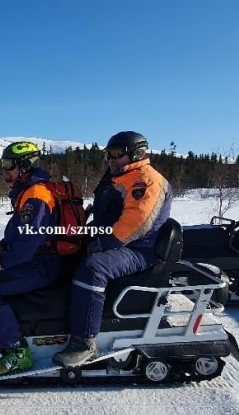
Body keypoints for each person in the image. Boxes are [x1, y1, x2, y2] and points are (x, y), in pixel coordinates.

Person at [52, 131, 173, 367]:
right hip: (115, 240)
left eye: (116, 154)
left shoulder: (145, 179)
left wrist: (101, 244)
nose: (111, 159)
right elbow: (104, 212)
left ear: (136, 154)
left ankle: (85, 343)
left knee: (93, 268)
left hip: (140, 249)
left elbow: (136, 223)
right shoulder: (120, 176)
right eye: (108, 154)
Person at [0, 141, 63, 377]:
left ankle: (16, 352)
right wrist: (0, 248)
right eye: (2, 165)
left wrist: (2, 263)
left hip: (43, 263)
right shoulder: (27, 191)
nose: (4, 170)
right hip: (37, 259)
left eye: (8, 165)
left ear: (25, 166)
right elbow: (17, 232)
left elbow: (30, 241)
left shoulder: (36, 195)